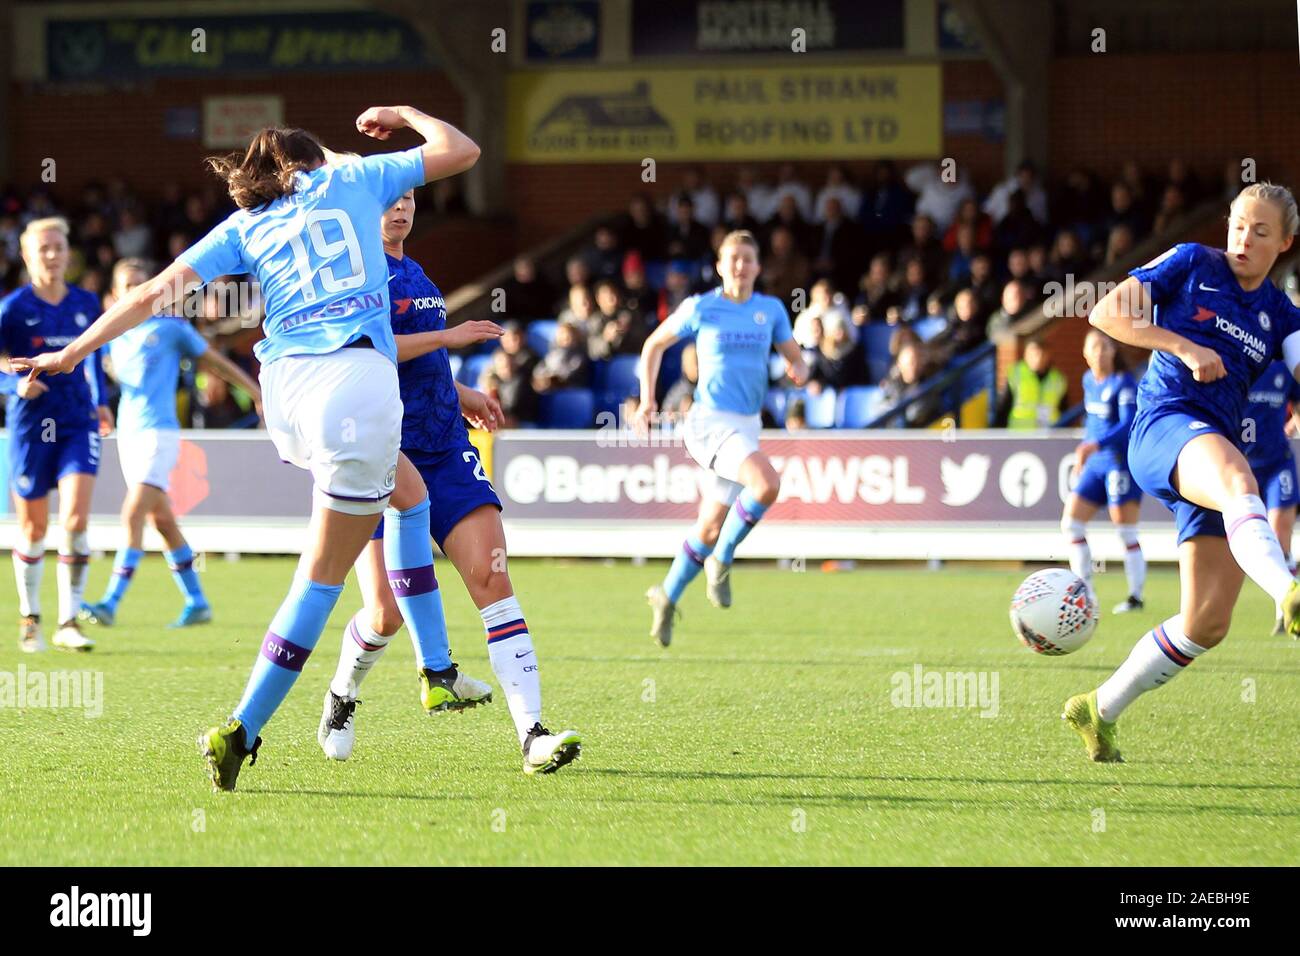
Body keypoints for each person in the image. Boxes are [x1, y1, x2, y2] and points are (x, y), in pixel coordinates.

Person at [15, 106, 491, 792]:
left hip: (286, 395)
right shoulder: (355, 179)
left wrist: (72, 352)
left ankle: (437, 665)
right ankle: (250, 723)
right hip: (355, 386)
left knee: (407, 493)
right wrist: (403, 115)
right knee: (322, 578)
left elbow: (152, 293)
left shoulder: (246, 225)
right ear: (311, 164)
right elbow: (462, 149)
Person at [318, 186, 580, 774]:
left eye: (409, 196)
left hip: (445, 447)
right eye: (389, 198)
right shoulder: (354, 274)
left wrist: (460, 393)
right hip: (385, 455)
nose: (401, 206)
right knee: (383, 615)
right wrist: (449, 336)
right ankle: (342, 696)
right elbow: (369, 352)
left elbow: (421, 363)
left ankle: (532, 737)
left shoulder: (414, 269)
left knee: (492, 575)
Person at [1064, 183, 1300, 763]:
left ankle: (1099, 708)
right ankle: (1289, 590)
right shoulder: (1193, 262)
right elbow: (1105, 311)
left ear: (1286, 243)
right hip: (1164, 425)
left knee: (1206, 623)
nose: (1244, 238)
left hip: (1207, 452)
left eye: (1261, 231)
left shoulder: (1281, 315)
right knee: (1240, 480)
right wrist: (1181, 346)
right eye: (1239, 224)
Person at [635, 231, 808, 646]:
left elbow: (794, 355)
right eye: (733, 258)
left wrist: (799, 367)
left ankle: (667, 595)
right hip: (709, 422)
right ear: (719, 265)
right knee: (766, 483)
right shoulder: (702, 306)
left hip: (747, 424)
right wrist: (646, 401)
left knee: (710, 526)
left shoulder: (771, 309)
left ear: (758, 267)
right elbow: (653, 345)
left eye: (748, 259)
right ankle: (723, 560)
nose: (740, 266)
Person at [79, 258, 263, 629]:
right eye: (126, 286)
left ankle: (111, 602)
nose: (133, 292)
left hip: (158, 434)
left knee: (132, 514)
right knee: (162, 521)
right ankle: (197, 601)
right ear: (114, 294)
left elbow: (214, 361)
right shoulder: (111, 336)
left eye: (139, 284)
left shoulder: (170, 328)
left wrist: (255, 392)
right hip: (127, 437)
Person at [1, 217, 113, 652]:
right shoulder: (12, 308)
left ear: (69, 253)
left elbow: (94, 355)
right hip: (30, 425)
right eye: (43, 248)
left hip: (76, 421)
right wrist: (16, 385)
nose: (51, 255)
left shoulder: (85, 302)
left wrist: (102, 401)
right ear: (27, 256)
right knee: (33, 528)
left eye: (58, 247)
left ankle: (69, 621)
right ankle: (31, 618)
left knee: (75, 520)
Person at [1060, 329, 1146, 614]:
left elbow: (1128, 424)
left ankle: (1135, 597)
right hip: (1095, 464)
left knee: (1125, 530)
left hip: (1118, 462)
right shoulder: (1088, 381)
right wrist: (1087, 449)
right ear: (1085, 353)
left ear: (1113, 351)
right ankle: (1085, 594)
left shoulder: (1124, 384)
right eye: (1094, 347)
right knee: (1071, 524)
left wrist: (1094, 444)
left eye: (1104, 346)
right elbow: (1092, 424)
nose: (1099, 352)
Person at [1242, 358, 1300, 633]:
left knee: (1280, 535)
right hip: (1242, 466)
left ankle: (1284, 613)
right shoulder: (1241, 363)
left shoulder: (1287, 367)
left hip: (1279, 464)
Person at [996, 337, 1067, 429]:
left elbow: (1064, 409)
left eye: (1042, 354)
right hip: (1020, 434)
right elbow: (1003, 407)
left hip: (1048, 435)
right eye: (1035, 354)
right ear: (1026, 354)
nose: (1038, 358)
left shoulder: (1058, 379)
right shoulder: (1016, 374)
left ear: (1048, 355)